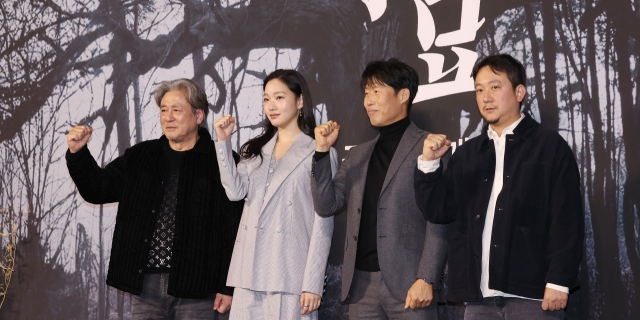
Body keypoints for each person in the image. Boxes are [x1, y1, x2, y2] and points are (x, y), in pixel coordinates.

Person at [414, 54, 584, 319]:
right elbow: (438, 212)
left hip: (532, 295)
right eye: (479, 90)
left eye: (495, 87)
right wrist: (429, 165)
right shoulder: (467, 153)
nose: (486, 97)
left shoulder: (550, 147)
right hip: (478, 298)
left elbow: (566, 220)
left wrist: (559, 280)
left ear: (519, 92)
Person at [66, 78, 243, 320]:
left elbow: (233, 228)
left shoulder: (221, 159)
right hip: (144, 287)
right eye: (163, 110)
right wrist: (78, 154)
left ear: (198, 115)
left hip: (199, 287)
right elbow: (98, 189)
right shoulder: (141, 156)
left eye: (177, 110)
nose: (168, 117)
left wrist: (227, 286)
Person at [310, 58, 448, 320]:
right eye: (366, 93)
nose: (368, 101)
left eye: (377, 91)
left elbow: (439, 221)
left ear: (403, 95)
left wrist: (427, 277)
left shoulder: (429, 147)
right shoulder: (358, 155)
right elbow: (326, 204)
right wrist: (321, 152)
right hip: (361, 286)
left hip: (411, 284)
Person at [213, 69, 337, 320]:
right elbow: (235, 193)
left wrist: (312, 281)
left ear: (300, 101)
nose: (271, 105)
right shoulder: (255, 150)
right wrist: (223, 144)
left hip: (290, 274)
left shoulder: (319, 149)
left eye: (279, 97)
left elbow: (324, 219)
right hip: (248, 272)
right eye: (266, 99)